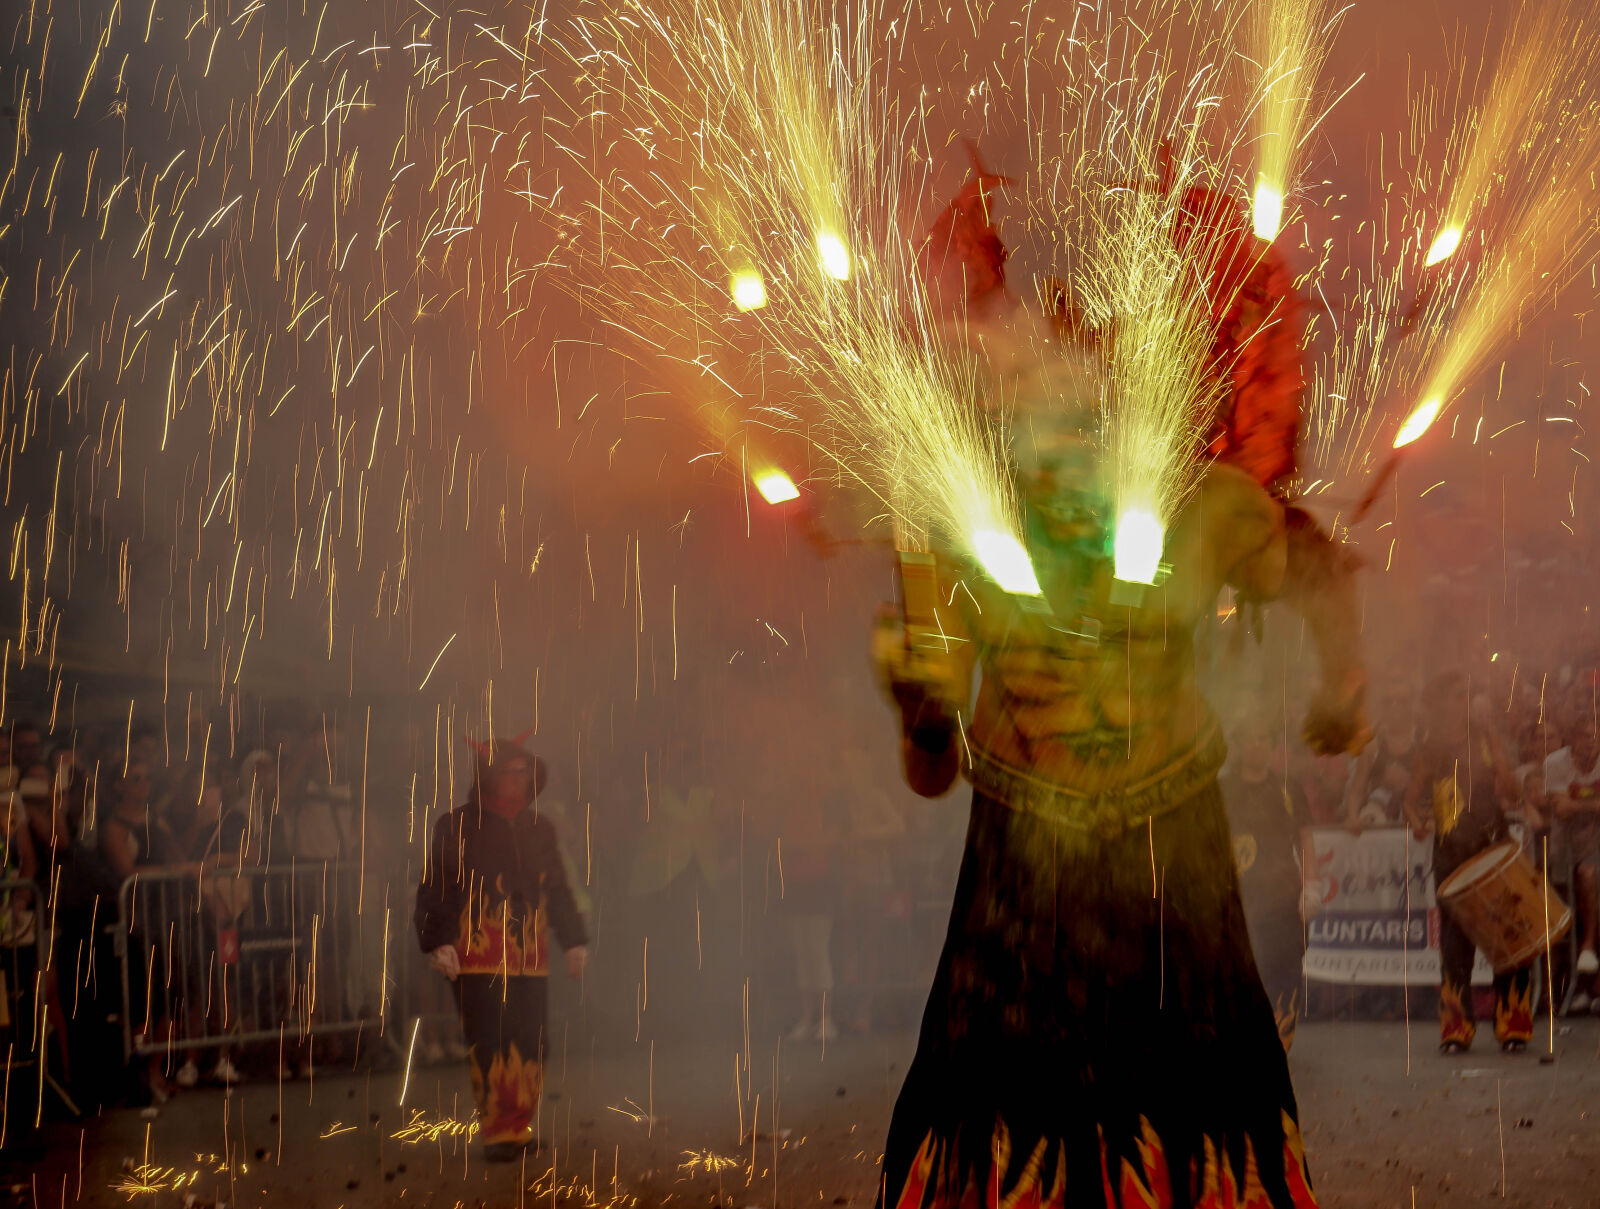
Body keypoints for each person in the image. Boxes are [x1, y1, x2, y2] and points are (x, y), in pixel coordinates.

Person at [872, 332, 1366, 1207]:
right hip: (1023, 853)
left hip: (1170, 839)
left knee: (1196, 1085)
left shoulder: (1203, 509)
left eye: (1090, 411)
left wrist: (1345, 686)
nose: (1075, 435)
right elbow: (930, 772)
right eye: (1048, 414)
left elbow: (1317, 568)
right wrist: (922, 714)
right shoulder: (955, 537)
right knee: (1007, 1091)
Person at [414, 737, 588, 1161]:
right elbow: (436, 885)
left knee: (532, 1040)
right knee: (491, 1039)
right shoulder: (456, 826)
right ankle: (497, 1131)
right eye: (509, 772)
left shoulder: (539, 829)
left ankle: (517, 1124)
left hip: (531, 956)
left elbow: (559, 888)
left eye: (523, 772)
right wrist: (436, 941)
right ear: (489, 776)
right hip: (477, 955)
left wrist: (573, 938)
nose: (518, 780)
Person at [1402, 672, 1532, 1053]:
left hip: (1492, 850)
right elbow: (1410, 800)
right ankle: (1456, 1029)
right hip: (1450, 855)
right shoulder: (1431, 749)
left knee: (1507, 934)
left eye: (1469, 695)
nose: (1467, 702)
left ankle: (1513, 1024)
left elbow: (1512, 791)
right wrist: (1417, 821)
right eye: (1459, 696)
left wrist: (1495, 747)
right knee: (1455, 945)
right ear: (1444, 704)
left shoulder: (1487, 739)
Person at [1221, 715, 1311, 1049]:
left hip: (1283, 897)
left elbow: (1305, 840)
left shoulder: (1288, 788)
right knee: (1240, 971)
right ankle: (1243, 1041)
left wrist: (1311, 886)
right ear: (1239, 746)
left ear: (1272, 746)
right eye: (1250, 739)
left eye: (1263, 739)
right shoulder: (1224, 790)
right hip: (1238, 898)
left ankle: (1279, 1039)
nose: (1256, 746)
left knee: (1285, 966)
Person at [1542, 715, 1600, 1011]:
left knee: (1589, 874)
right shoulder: (1555, 763)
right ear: (1573, 740)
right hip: (1565, 853)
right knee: (1584, 877)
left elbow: (1570, 805)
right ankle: (1579, 985)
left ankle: (1589, 951)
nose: (1590, 743)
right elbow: (1561, 809)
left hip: (1595, 849)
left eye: (1595, 736)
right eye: (1584, 737)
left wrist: (1578, 805)